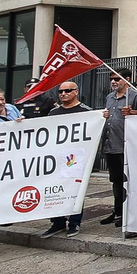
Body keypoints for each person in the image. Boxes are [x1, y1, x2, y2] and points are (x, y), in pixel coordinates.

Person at [42, 82, 95, 238]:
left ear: (76, 92)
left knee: (75, 191)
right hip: (57, 158)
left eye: (67, 91)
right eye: (60, 91)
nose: (63, 93)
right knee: (56, 190)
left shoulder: (87, 112)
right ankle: (57, 222)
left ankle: (74, 223)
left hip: (76, 158)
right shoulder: (53, 113)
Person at [100, 67, 137, 226]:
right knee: (116, 181)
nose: (113, 81)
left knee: (129, 181)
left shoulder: (135, 96)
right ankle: (117, 210)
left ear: (126, 79)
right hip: (110, 144)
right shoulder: (110, 97)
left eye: (117, 79)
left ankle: (128, 212)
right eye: (111, 79)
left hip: (125, 145)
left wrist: (133, 113)